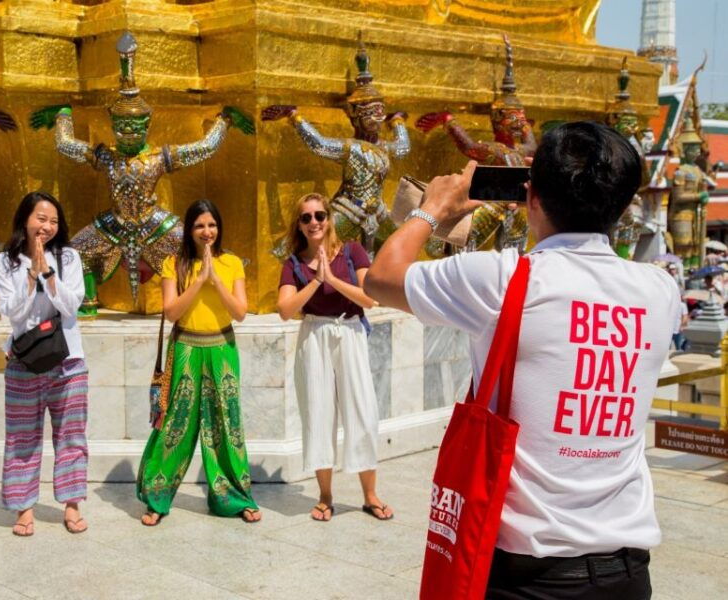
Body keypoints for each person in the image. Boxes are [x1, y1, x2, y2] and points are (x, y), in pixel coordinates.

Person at [366, 121, 681, 599]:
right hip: (626, 573)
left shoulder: (503, 278)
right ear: (622, 204)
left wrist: (432, 209)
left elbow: (382, 276)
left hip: (526, 575)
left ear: (530, 197)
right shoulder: (661, 291)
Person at [136, 199, 260, 525]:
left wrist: (215, 279)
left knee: (227, 425)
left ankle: (234, 497)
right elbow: (172, 311)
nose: (207, 232)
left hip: (222, 349)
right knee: (175, 424)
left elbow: (240, 313)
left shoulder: (232, 263)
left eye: (212, 225)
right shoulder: (172, 264)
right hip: (187, 349)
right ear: (189, 230)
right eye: (200, 226)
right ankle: (156, 497)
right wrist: (198, 278)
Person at [276, 193, 393, 522]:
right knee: (319, 413)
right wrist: (316, 281)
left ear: (329, 218)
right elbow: (286, 309)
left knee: (362, 410)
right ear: (299, 225)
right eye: (306, 218)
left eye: (319, 215)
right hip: (314, 337)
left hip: (350, 333)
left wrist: (333, 280)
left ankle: (370, 494)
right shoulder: (294, 263)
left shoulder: (352, 251)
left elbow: (370, 299)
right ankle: (326, 496)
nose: (314, 222)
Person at [0, 191, 89, 537]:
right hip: (23, 361)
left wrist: (48, 273)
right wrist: (30, 276)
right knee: (22, 437)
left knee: (71, 435)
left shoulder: (69, 258)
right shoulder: (3, 262)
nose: (46, 226)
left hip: (68, 360)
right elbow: (13, 312)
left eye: (53, 221)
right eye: (40, 219)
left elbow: (71, 306)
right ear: (25, 220)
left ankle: (72, 504)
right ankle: (24, 508)